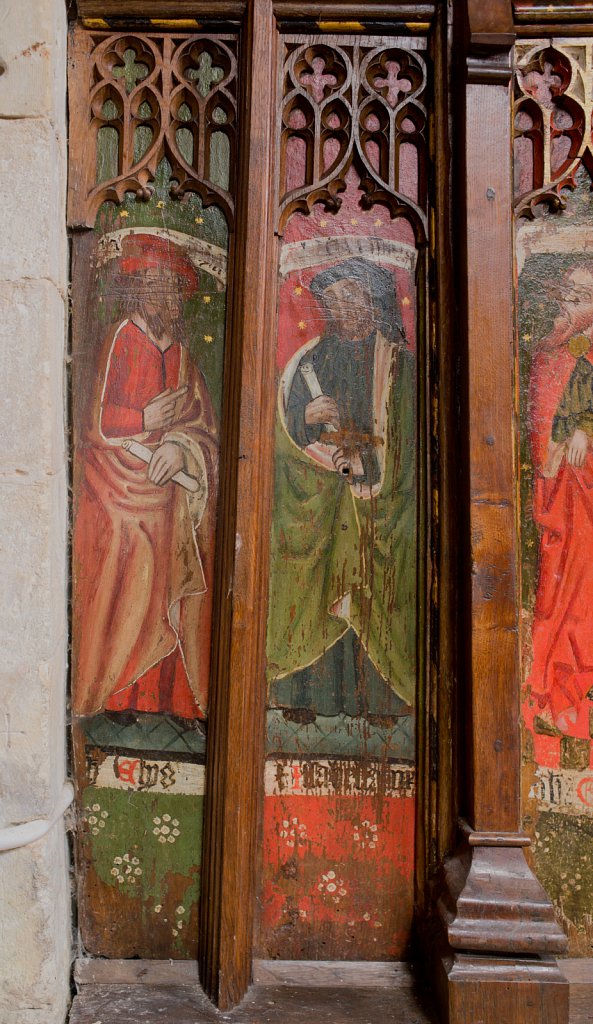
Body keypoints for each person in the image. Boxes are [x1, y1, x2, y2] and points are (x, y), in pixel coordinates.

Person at [72, 232, 218, 722]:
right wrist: (145, 423)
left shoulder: (181, 354)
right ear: (139, 292)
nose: (171, 299)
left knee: (185, 547)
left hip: (166, 489)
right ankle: (112, 693)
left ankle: (171, 701)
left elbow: (202, 425)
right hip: (113, 484)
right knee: (123, 550)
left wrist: (179, 447)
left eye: (176, 289)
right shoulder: (121, 338)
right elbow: (96, 420)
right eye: (160, 288)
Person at [267, 257, 417, 721]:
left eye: (351, 296)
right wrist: (306, 421)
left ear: (373, 301)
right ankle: (304, 697)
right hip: (324, 500)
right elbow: (284, 436)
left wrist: (369, 467)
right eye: (331, 302)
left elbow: (409, 441)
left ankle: (381, 699)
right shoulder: (309, 362)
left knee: (379, 586)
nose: (341, 309)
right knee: (314, 581)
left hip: (380, 501)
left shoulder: (397, 365)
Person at [527, 263, 593, 737]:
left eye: (581, 294)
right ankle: (557, 685)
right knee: (561, 587)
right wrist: (558, 440)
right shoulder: (550, 353)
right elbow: (540, 420)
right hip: (566, 499)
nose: (569, 302)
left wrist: (586, 431)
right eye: (567, 292)